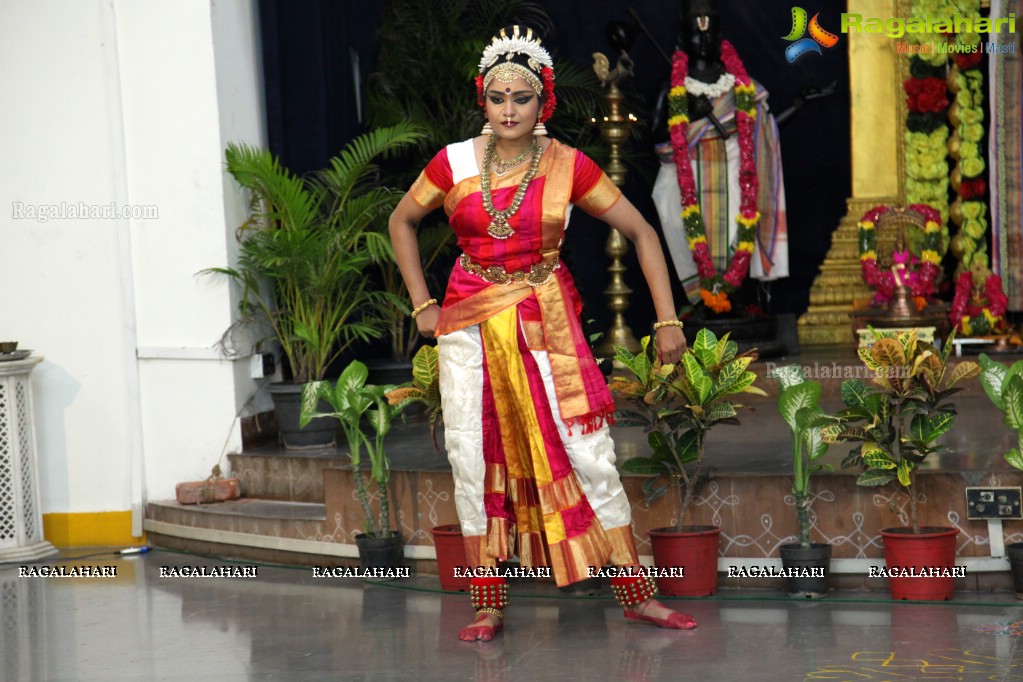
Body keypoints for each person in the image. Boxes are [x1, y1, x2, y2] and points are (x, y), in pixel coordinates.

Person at [389, 25, 695, 642]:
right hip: (469, 324)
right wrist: (421, 303)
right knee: (472, 457)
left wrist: (667, 321)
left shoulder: (567, 165)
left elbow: (642, 232)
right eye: (498, 97)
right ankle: (487, 603)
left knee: (591, 455)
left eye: (521, 98)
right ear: (484, 98)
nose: (508, 110)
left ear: (543, 103)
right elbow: (402, 220)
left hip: (546, 321)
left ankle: (637, 595)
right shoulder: (452, 162)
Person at [650, 0, 788, 306]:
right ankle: (703, 304)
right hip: (687, 180)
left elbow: (763, 128)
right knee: (689, 235)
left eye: (709, 35)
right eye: (697, 35)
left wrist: (799, 105)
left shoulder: (739, 85)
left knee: (735, 235)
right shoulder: (676, 87)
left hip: (735, 175)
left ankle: (733, 300)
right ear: (685, 38)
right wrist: (692, 114)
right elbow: (656, 135)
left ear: (720, 37)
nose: (703, 41)